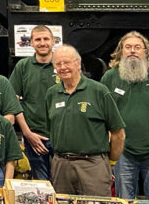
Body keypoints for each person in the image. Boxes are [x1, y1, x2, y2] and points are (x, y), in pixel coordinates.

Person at [46, 45, 125, 196]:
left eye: (67, 62)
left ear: (77, 63)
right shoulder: (52, 94)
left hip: (92, 165)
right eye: (58, 64)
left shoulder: (99, 91)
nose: (63, 67)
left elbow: (118, 133)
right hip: (61, 165)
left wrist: (110, 162)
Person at [100, 32, 149, 200]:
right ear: (121, 52)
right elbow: (102, 116)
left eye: (137, 47)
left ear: (146, 52)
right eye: (128, 47)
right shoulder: (109, 78)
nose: (133, 51)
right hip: (122, 154)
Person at [9, 25, 59, 181]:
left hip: (61, 138)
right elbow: (13, 102)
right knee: (40, 187)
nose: (42, 43)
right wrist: (27, 133)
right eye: (38, 39)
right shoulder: (23, 67)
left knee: (62, 185)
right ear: (31, 43)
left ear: (53, 41)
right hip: (35, 137)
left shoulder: (62, 65)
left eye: (46, 39)